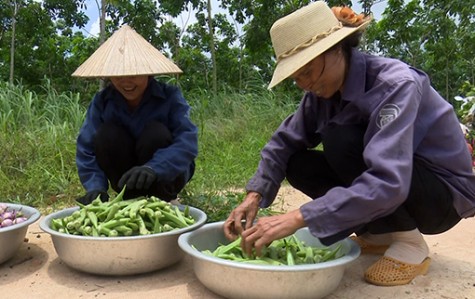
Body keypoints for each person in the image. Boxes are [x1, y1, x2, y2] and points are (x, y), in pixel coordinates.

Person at [223, 2, 475, 286]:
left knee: (340, 138)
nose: (304, 84)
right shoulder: (320, 94)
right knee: (297, 162)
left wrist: (297, 217)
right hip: (398, 184)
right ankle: (380, 233)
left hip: (440, 197)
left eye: (307, 71)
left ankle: (410, 243)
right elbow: (283, 142)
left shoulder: (395, 85)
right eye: (296, 77)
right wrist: (254, 196)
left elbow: (388, 180)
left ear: (336, 49)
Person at [72, 25, 198, 204]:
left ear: (148, 73)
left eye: (134, 74)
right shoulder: (103, 102)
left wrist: (153, 168)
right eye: (118, 76)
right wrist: (95, 187)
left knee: (156, 133)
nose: (126, 82)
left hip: (165, 177)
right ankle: (128, 197)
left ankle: (164, 198)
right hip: (124, 179)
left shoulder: (170, 96)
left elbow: (187, 142)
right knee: (107, 134)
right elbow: (86, 148)